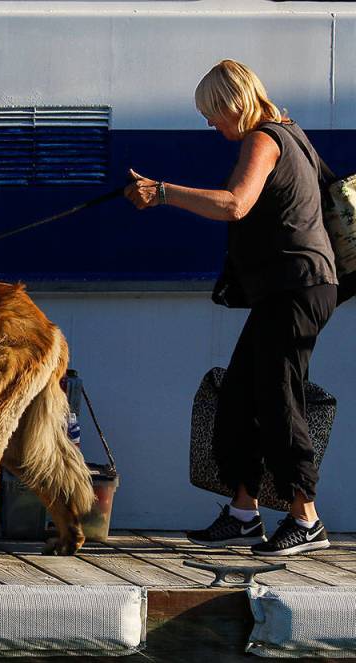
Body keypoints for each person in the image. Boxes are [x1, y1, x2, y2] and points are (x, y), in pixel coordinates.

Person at [125, 59, 337, 556]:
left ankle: (305, 519)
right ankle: (244, 513)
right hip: (291, 288)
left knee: (279, 396)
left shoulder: (264, 139)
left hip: (297, 287)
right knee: (240, 395)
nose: (209, 123)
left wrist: (162, 194)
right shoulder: (291, 133)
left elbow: (235, 204)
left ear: (233, 102)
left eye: (212, 112)